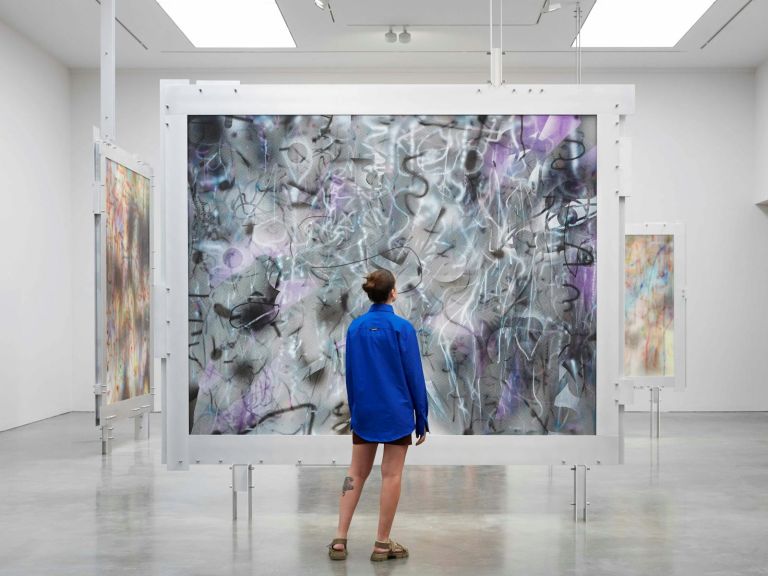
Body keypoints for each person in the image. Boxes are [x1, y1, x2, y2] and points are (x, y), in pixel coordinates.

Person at [328, 269, 429, 562]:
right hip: (396, 412)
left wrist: (356, 409)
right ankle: (382, 544)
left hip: (366, 411)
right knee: (391, 474)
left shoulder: (356, 328)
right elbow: (414, 376)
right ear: (393, 293)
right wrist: (420, 416)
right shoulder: (402, 328)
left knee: (355, 473)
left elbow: (351, 374)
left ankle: (339, 539)